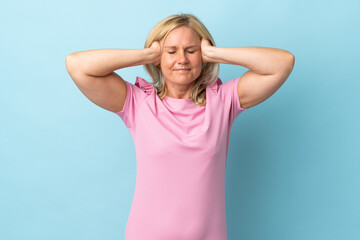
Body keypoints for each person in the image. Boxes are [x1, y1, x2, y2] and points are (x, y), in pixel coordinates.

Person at [65, 13, 294, 240]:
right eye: (171, 51)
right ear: (158, 58)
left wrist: (214, 53)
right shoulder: (138, 103)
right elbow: (77, 65)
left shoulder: (224, 101)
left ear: (202, 54)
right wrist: (148, 54)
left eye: (191, 51)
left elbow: (283, 63)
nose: (182, 59)